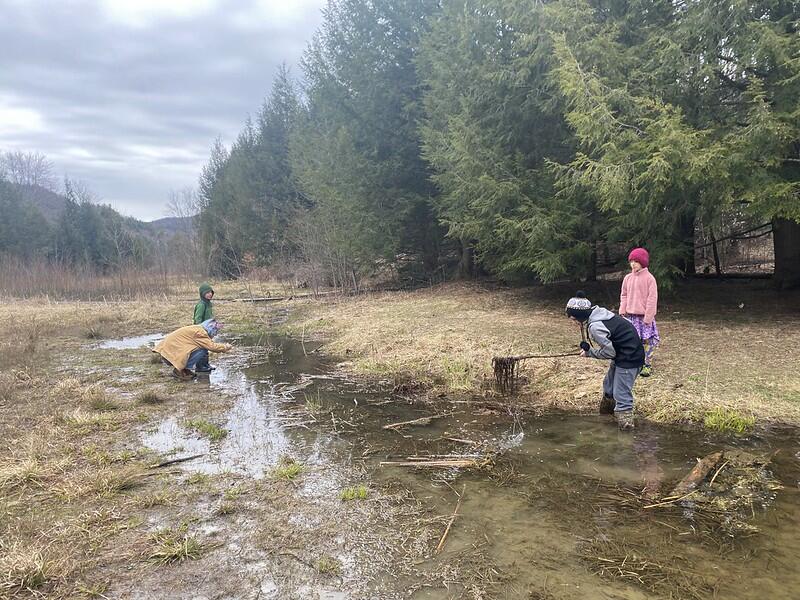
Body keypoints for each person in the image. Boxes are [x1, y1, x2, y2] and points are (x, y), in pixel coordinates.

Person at [566, 292, 645, 430]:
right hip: (623, 354)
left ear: (579, 317)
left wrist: (590, 353)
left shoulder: (595, 326)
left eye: (573, 319)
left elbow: (609, 352)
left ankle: (626, 429)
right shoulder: (599, 312)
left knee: (621, 394)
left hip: (629, 359)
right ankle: (606, 420)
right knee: (608, 387)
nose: (573, 322)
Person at [618, 247, 659, 377]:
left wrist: (648, 317)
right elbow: (624, 295)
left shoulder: (649, 279)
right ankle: (636, 363)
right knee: (633, 341)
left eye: (636, 261)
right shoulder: (627, 278)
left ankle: (647, 365)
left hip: (644, 318)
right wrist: (622, 309)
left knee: (647, 342)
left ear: (643, 262)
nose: (633, 264)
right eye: (631, 261)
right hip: (631, 317)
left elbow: (652, 299)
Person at [154, 319, 232, 381]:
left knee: (199, 348)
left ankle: (183, 369)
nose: (216, 333)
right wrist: (226, 347)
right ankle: (179, 370)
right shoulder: (200, 333)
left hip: (166, 353)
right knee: (202, 350)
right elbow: (212, 347)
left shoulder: (197, 329)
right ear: (211, 327)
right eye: (216, 330)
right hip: (169, 355)